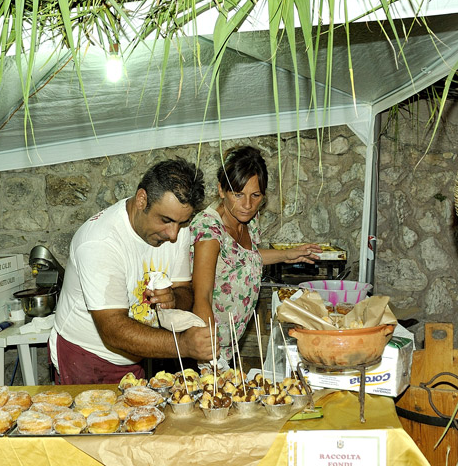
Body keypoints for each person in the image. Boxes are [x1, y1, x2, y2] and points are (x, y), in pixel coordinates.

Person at [49, 158, 214, 385]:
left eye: (181, 223)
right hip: (87, 357)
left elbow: (183, 289)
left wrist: (174, 299)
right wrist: (183, 345)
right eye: (165, 220)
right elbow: (113, 329)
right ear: (141, 199)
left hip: (136, 355)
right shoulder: (100, 242)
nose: (173, 234)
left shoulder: (178, 226)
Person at [190, 146, 320, 364]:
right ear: (221, 190)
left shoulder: (248, 218)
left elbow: (244, 257)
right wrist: (209, 357)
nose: (248, 205)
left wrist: (287, 255)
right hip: (208, 348)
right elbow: (202, 296)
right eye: (238, 194)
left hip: (231, 343)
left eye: (256, 195)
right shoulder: (208, 230)